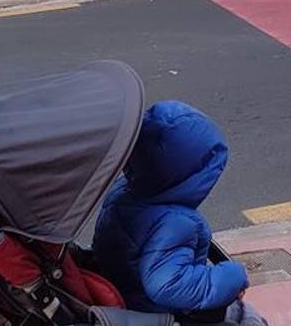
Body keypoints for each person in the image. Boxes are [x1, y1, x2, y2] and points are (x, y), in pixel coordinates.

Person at [93, 100, 263, 324]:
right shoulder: (175, 222)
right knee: (246, 317)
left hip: (123, 289)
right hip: (154, 312)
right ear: (195, 176)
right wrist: (233, 276)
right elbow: (168, 284)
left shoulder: (122, 192)